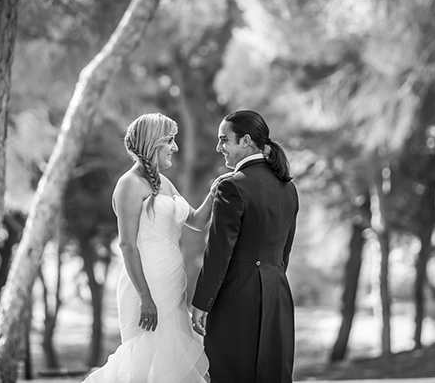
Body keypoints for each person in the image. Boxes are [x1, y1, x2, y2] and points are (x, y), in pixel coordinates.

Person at [83, 113, 224, 383]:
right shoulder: (129, 184)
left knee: (171, 363)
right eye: (169, 140)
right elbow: (127, 244)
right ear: (153, 142)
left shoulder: (164, 182)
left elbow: (197, 221)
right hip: (145, 287)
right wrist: (145, 298)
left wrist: (214, 191)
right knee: (145, 362)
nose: (175, 147)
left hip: (172, 286)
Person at [191, 109, 299, 383]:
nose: (219, 148)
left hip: (238, 298)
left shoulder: (231, 186)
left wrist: (202, 302)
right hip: (278, 296)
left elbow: (218, 254)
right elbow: (284, 252)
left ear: (246, 141)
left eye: (224, 140)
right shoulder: (288, 188)